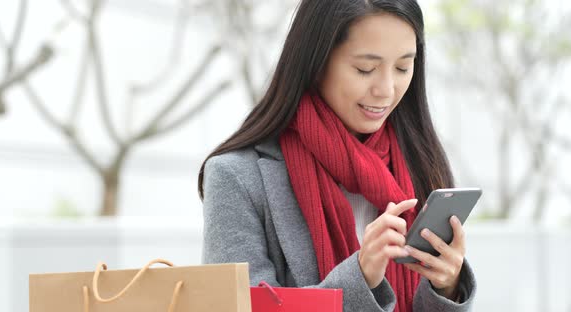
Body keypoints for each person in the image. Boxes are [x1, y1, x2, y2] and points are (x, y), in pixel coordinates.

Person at [198, 0, 476, 311]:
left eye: (402, 67)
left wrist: (447, 287)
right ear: (316, 63)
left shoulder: (419, 162)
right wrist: (360, 276)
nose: (386, 89)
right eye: (365, 69)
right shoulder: (236, 177)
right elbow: (240, 307)